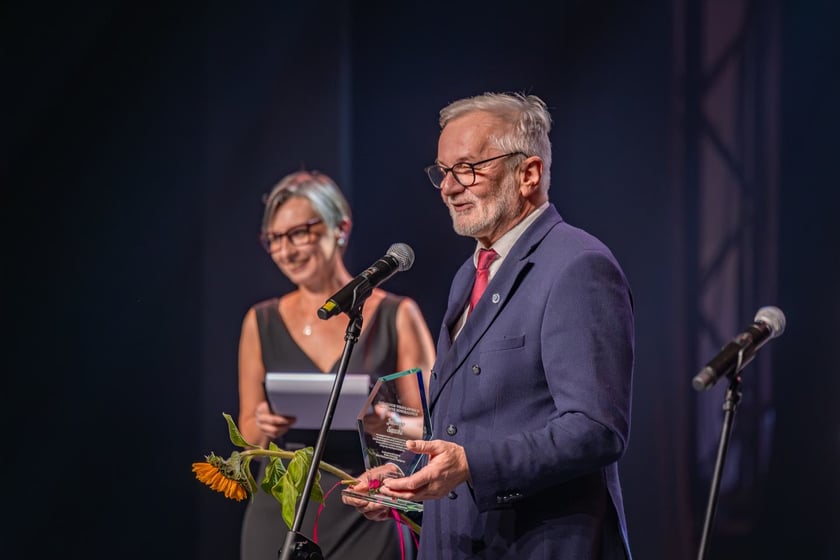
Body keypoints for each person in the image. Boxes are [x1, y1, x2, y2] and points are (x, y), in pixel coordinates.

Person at [342, 92, 635, 559]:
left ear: (529, 173)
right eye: (442, 171)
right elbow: (467, 425)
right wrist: (409, 474)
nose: (448, 187)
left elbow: (596, 429)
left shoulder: (578, 266)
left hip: (537, 544)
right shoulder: (471, 272)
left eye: (467, 168)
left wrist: (469, 465)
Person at [238, 170, 437, 560]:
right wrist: (262, 424)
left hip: (367, 503)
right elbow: (247, 432)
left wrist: (387, 424)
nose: (286, 251)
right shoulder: (259, 321)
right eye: (274, 239)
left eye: (299, 233)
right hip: (283, 510)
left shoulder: (398, 315)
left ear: (340, 228)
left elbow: (433, 426)